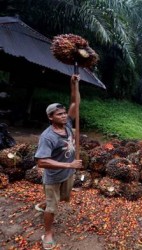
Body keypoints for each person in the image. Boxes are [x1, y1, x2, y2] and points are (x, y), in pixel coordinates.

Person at [34, 74, 83, 250]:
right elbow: (41, 162)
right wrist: (69, 164)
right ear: (50, 117)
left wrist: (73, 85)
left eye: (64, 113)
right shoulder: (48, 137)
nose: (64, 116)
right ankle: (47, 233)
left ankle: (44, 202)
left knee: (63, 198)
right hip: (54, 176)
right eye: (59, 114)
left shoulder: (68, 125)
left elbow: (75, 104)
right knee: (53, 208)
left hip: (67, 174)